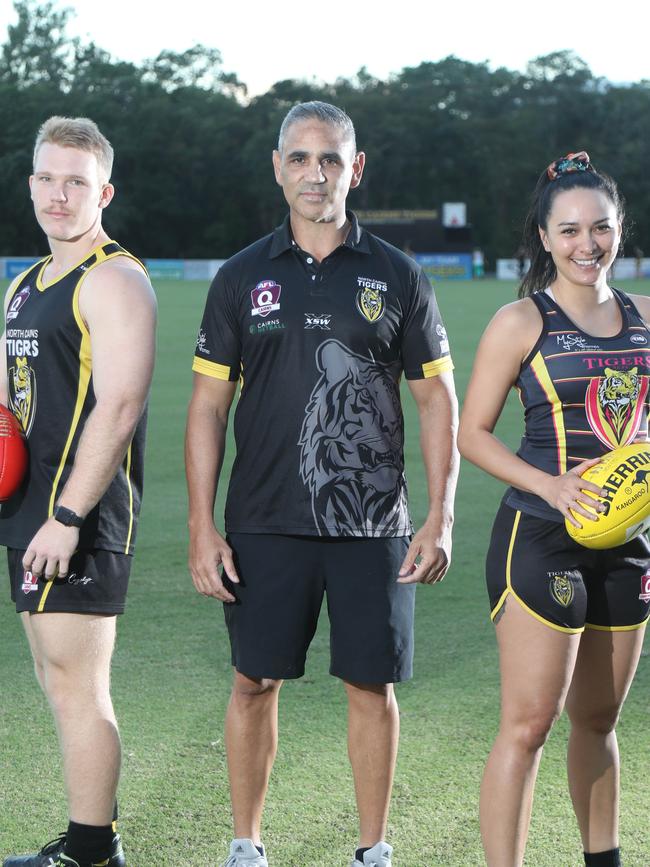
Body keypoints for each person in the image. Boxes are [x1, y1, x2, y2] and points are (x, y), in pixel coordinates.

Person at [186, 100, 458, 867]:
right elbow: (208, 404)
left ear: (355, 168)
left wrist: (438, 515)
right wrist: (203, 525)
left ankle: (373, 848)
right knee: (252, 681)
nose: (315, 173)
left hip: (375, 523)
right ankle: (247, 843)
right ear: (278, 167)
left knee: (372, 687)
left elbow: (437, 398)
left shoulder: (398, 275)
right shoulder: (241, 277)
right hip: (265, 518)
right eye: (300, 158)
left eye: (330, 158)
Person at [458, 151, 650, 867]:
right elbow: (470, 433)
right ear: (544, 236)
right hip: (540, 536)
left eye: (600, 228)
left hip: (626, 543)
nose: (586, 244)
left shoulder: (647, 319)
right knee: (530, 722)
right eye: (568, 231)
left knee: (599, 719)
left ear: (619, 228)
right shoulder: (520, 322)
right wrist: (554, 487)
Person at [1, 117, 156, 867]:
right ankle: (90, 838)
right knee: (54, 675)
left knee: (78, 684)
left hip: (79, 516)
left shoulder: (114, 278)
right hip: (27, 511)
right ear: (30, 181)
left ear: (104, 191)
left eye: (76, 182)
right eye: (46, 178)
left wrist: (67, 516)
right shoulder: (25, 284)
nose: (58, 196)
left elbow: (121, 403)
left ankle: (94, 854)